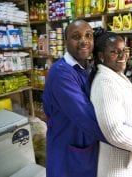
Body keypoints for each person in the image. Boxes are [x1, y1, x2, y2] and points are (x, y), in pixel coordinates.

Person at [42, 20, 107, 177]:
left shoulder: (86, 68)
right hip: (67, 153)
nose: (84, 41)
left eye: (88, 35)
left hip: (84, 148)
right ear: (66, 42)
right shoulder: (61, 74)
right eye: (76, 36)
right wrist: (129, 142)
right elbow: (86, 117)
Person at [90, 29, 132, 177]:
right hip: (117, 170)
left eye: (124, 50)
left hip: (129, 166)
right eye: (114, 52)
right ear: (101, 56)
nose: (122, 56)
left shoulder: (117, 77)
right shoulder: (105, 83)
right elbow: (115, 132)